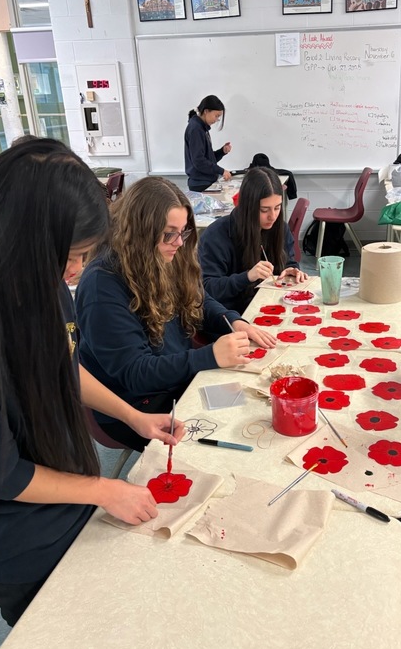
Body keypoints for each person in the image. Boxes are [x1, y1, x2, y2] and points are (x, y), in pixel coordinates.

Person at [0, 140, 184, 627]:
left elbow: (63, 365)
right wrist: (104, 490)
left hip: (70, 498)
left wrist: (134, 416)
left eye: (86, 256)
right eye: (71, 256)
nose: (76, 272)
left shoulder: (39, 285)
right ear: (20, 240)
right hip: (18, 539)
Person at [76, 177, 276, 451]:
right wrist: (209, 356)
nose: (179, 242)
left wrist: (233, 321)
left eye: (183, 231)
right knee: (236, 434)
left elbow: (197, 299)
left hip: (170, 380)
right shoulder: (103, 284)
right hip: (135, 405)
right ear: (141, 231)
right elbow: (134, 373)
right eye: (169, 233)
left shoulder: (162, 253)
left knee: (257, 404)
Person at [198, 166, 309, 314]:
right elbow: (208, 288)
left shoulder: (279, 228)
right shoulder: (216, 235)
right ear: (247, 206)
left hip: (269, 307)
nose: (273, 216)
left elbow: (289, 261)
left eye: (277, 208)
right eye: (264, 210)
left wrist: (290, 270)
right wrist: (247, 276)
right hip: (231, 315)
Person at [184, 94, 232, 191]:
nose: (216, 120)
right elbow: (199, 161)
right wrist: (221, 171)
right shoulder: (196, 129)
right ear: (206, 111)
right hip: (201, 184)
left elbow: (207, 159)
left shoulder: (201, 128)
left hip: (205, 182)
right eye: (216, 116)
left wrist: (222, 151)